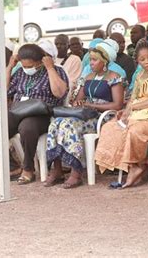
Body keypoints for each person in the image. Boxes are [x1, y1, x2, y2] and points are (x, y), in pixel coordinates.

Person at [95, 40, 148, 188]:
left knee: (135, 129)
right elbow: (133, 99)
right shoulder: (140, 75)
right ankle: (133, 166)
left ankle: (137, 166)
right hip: (142, 116)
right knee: (111, 126)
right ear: (138, 62)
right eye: (142, 59)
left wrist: (135, 107)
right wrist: (126, 112)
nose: (147, 61)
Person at [0, 44, 68, 184]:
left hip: (42, 114)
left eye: (30, 66)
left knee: (27, 127)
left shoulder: (56, 71)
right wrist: (10, 66)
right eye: (24, 66)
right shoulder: (20, 72)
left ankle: (28, 168)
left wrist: (49, 68)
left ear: (41, 61)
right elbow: (2, 91)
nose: (27, 69)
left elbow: (59, 93)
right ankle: (12, 167)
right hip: (19, 110)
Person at [45, 41, 124, 188]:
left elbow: (118, 104)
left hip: (103, 117)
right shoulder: (88, 77)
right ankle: (57, 169)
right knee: (56, 123)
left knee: (69, 125)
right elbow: (77, 101)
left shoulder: (114, 77)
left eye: (95, 60)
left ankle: (76, 172)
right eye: (91, 59)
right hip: (85, 114)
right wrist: (78, 103)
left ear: (105, 61)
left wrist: (92, 105)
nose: (91, 62)